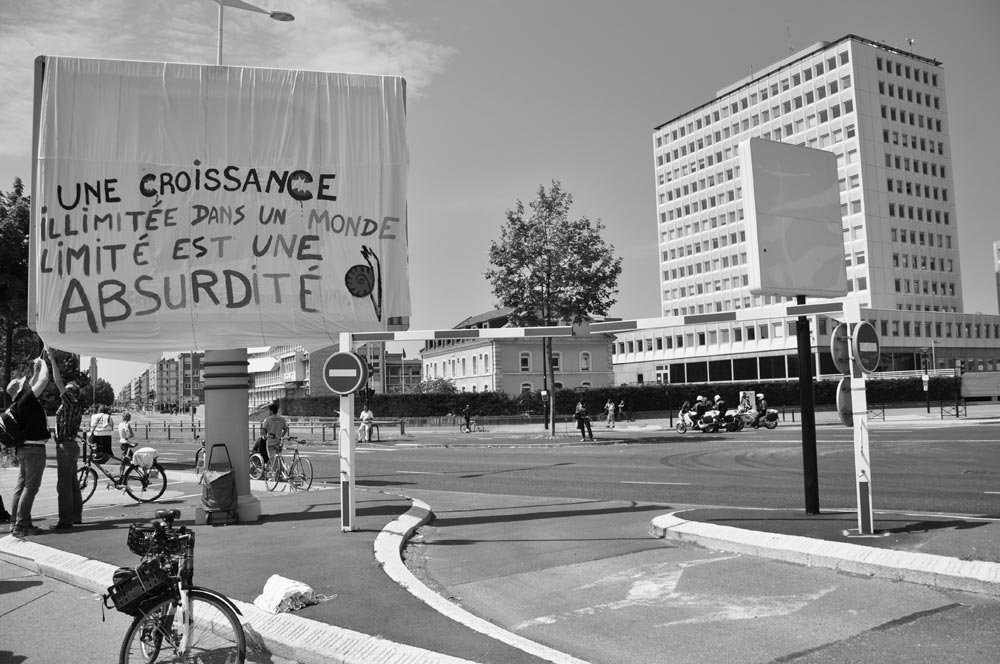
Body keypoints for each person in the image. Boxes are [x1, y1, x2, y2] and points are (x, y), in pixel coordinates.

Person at [7, 354, 51, 538]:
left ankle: (15, 522)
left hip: (24, 448)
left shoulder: (18, 402)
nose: (27, 383)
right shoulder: (27, 399)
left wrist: (34, 371)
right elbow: (45, 379)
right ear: (21, 388)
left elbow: (33, 383)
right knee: (31, 487)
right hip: (34, 449)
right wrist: (44, 364)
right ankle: (23, 524)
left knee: (22, 485)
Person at [47, 347, 85, 530]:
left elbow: (58, 380)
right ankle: (76, 516)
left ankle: (65, 520)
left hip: (65, 446)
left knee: (64, 485)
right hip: (72, 445)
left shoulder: (70, 402)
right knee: (72, 482)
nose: (64, 392)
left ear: (72, 393)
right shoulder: (77, 405)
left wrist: (52, 359)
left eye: (67, 391)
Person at [260, 401, 288, 466]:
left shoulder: (268, 419)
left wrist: (264, 437)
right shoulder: (282, 419)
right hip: (279, 441)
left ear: (271, 411)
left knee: (273, 459)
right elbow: (285, 429)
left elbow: (263, 430)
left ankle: (275, 473)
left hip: (271, 441)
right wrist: (281, 436)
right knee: (278, 458)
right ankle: (279, 472)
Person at [117, 411, 136, 476]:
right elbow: (131, 434)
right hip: (126, 442)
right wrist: (128, 436)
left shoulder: (120, 424)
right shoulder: (127, 425)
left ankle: (123, 473)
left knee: (126, 459)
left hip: (121, 443)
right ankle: (123, 473)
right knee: (131, 458)